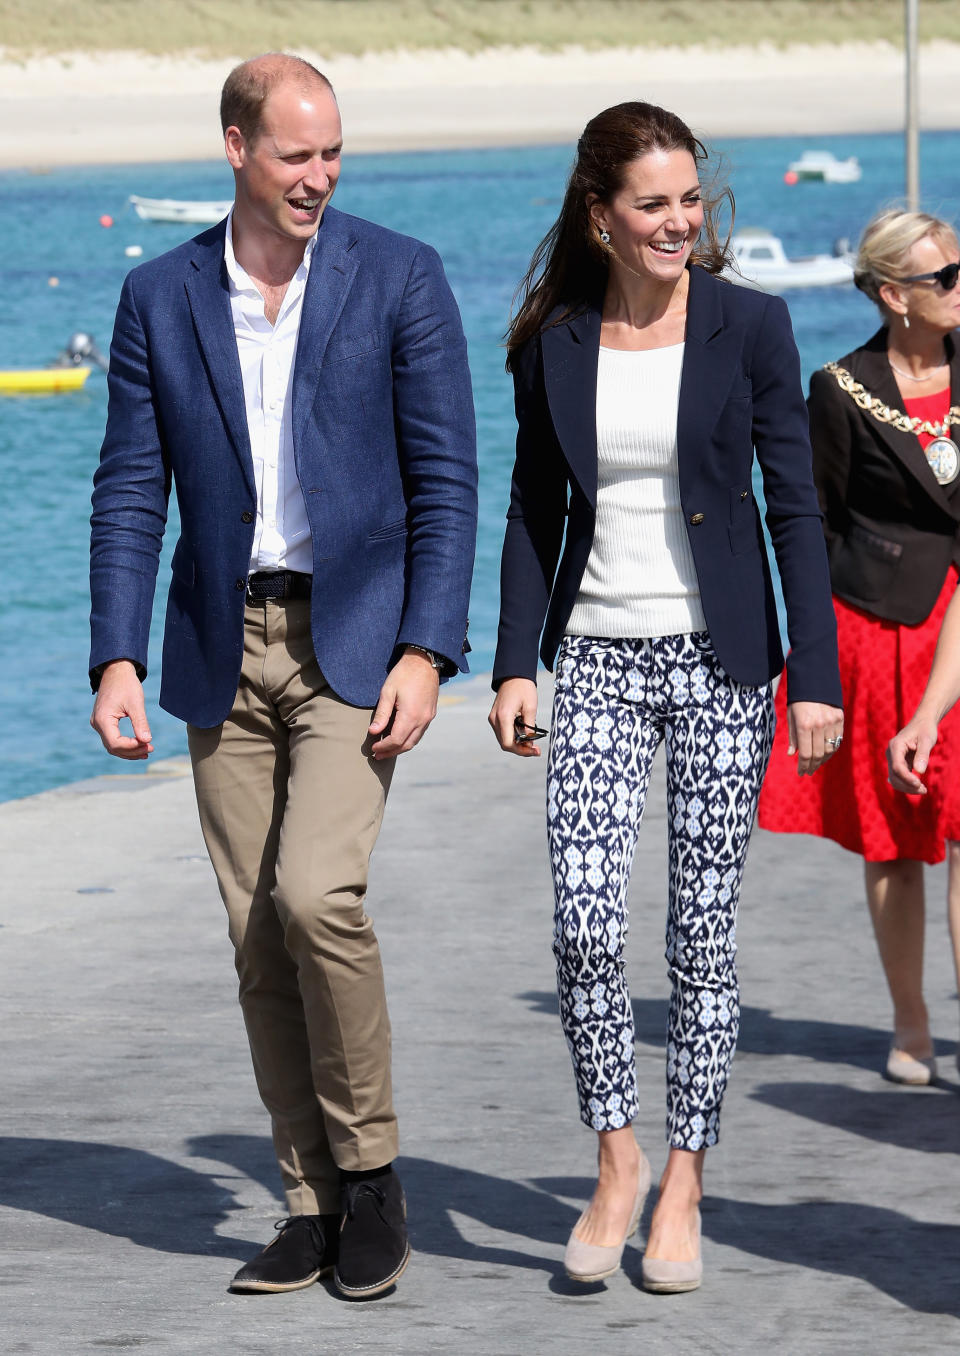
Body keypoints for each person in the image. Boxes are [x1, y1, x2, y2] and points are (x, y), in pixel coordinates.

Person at [89, 54, 477, 1299]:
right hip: (220, 642)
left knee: (317, 898)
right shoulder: (159, 295)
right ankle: (306, 1201)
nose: (319, 176)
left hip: (354, 643)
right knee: (256, 935)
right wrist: (115, 653)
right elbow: (130, 488)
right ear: (237, 146)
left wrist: (429, 648)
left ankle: (372, 1181)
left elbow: (447, 481)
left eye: (333, 153)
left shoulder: (400, 276)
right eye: (296, 154)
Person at [488, 101, 842, 1295]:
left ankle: (686, 1175)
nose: (679, 222)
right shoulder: (557, 340)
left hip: (720, 662)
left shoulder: (753, 325)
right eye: (653, 204)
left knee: (702, 935)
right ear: (601, 215)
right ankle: (618, 1159)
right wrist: (512, 663)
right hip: (593, 657)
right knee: (584, 925)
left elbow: (793, 505)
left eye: (692, 201)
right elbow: (537, 508)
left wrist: (816, 678)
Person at [758, 209, 960, 1087]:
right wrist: (813, 658)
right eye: (944, 277)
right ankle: (911, 1024)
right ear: (893, 295)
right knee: (895, 843)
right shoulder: (841, 389)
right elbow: (811, 522)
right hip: (882, 627)